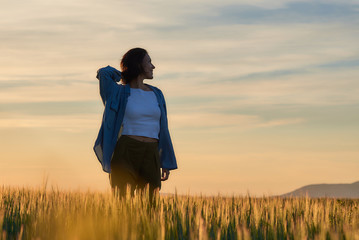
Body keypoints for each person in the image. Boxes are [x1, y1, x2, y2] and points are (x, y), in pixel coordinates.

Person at [93, 48, 177, 199]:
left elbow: (163, 129)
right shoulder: (118, 93)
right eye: (149, 62)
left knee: (151, 205)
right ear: (138, 65)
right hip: (126, 151)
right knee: (123, 204)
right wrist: (125, 74)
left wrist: (166, 160)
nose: (153, 66)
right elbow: (104, 73)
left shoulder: (157, 94)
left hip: (151, 152)